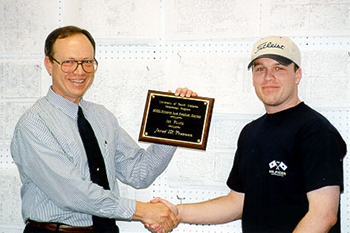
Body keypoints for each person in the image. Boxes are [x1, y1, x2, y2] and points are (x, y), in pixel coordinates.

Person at [151, 35, 347, 233]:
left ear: (297, 75)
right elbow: (237, 202)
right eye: (260, 68)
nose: (268, 77)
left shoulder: (316, 132)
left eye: (279, 68)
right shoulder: (251, 133)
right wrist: (177, 212)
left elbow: (323, 215)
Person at [10, 25, 196, 233]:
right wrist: (142, 210)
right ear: (49, 64)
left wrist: (176, 121)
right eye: (68, 62)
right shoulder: (34, 124)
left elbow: (139, 173)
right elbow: (73, 194)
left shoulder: (101, 117)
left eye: (87, 62)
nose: (79, 71)